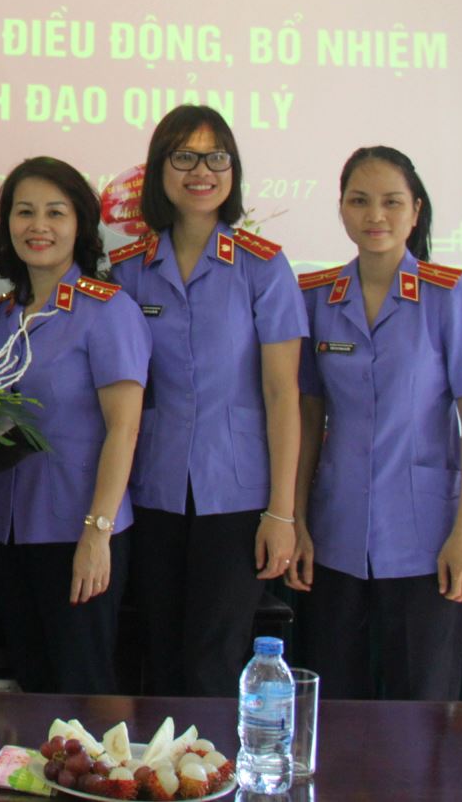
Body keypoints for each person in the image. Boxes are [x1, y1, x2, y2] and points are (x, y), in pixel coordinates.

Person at [288, 146, 462, 699]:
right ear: (341, 208)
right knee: (335, 702)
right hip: (335, 531)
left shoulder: (446, 294)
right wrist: (297, 520)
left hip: (427, 534)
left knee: (422, 709)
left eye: (391, 202)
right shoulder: (316, 297)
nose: (375, 215)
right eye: (359, 201)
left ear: (415, 211)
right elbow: (307, 416)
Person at [108, 104, 305, 697]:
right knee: (159, 651)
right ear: (158, 171)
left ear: (233, 170)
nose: (202, 171)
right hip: (153, 489)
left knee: (213, 660)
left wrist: (282, 513)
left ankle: (212, 758)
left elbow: (283, 393)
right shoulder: (129, 271)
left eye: (216, 157)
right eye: (184, 157)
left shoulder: (263, 266)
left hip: (237, 496)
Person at [0, 157, 150, 694]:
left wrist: (97, 534)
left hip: (78, 532)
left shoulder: (108, 311)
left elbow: (124, 430)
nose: (39, 226)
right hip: (9, 533)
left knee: (81, 691)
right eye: (24, 212)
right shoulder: (3, 315)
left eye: (56, 212)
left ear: (81, 225)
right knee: (29, 687)